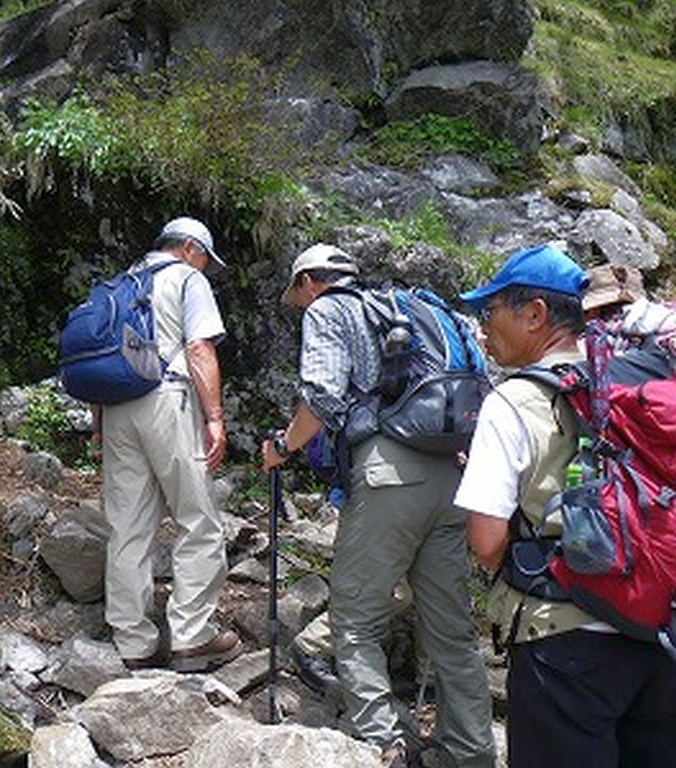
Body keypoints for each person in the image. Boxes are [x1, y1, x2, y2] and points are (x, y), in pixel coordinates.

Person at [261, 244, 495, 768]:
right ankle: (472, 752)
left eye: (297, 296)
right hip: (451, 474)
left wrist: (282, 448)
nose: (300, 306)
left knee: (356, 618)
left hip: (390, 472)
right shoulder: (418, 309)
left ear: (308, 281)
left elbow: (321, 397)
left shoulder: (329, 309)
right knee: (451, 631)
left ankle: (382, 743)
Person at [455, 244, 676, 767]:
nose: (484, 330)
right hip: (656, 634)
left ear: (534, 314)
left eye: (491, 313)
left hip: (561, 643)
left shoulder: (511, 401)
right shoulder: (634, 378)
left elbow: (486, 544)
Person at [97, 216, 242, 673]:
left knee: (127, 525)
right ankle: (192, 637)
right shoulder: (186, 278)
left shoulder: (123, 281)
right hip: (169, 399)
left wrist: (98, 421)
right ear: (189, 249)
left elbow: (103, 354)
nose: (205, 267)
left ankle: (133, 641)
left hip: (118, 405)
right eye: (205, 258)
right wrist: (215, 417)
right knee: (197, 520)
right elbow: (199, 348)